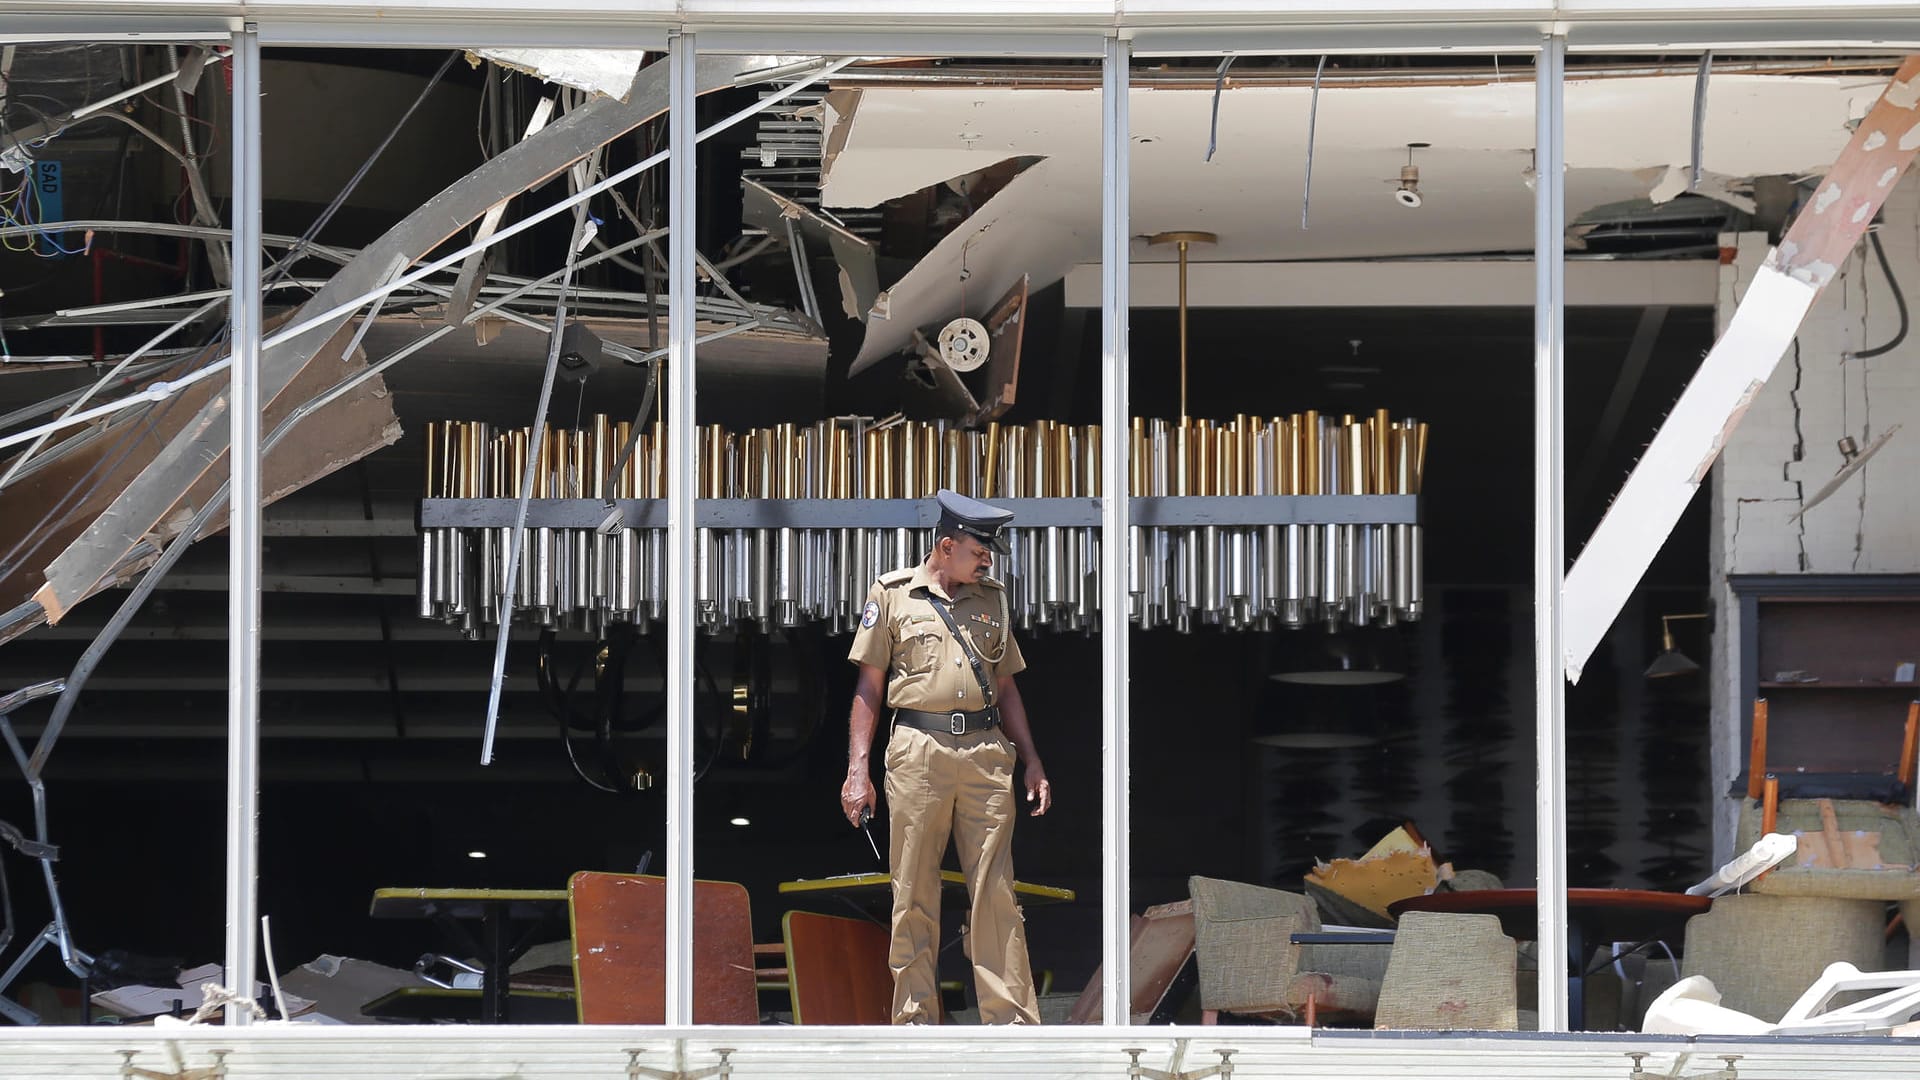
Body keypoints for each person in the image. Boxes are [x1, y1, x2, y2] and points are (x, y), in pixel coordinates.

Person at [841, 489, 1053, 1025]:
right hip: (918, 749)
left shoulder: (993, 599)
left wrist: (1031, 759)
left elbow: (1006, 688)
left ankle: (1009, 1020)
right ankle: (914, 1018)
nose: (987, 560)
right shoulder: (892, 594)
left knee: (995, 889)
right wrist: (856, 771)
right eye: (979, 551)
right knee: (913, 887)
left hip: (985, 751)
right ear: (944, 544)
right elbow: (868, 687)